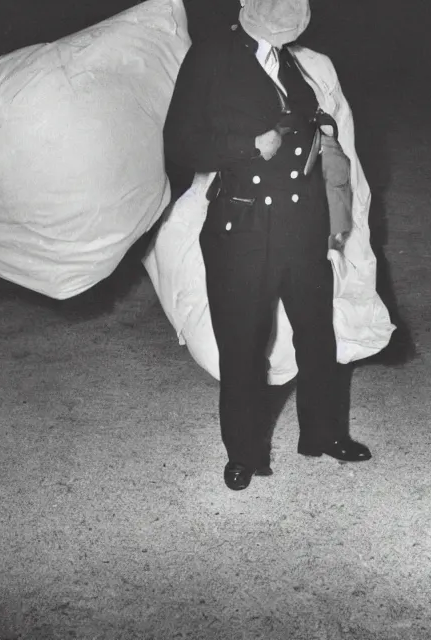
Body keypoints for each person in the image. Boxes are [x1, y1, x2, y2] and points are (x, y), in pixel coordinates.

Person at [163, 0, 370, 492]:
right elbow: (179, 144)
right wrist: (247, 145)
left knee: (317, 335)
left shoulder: (295, 61)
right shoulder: (212, 56)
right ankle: (244, 454)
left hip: (301, 226)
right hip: (243, 228)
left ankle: (323, 434)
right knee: (242, 345)